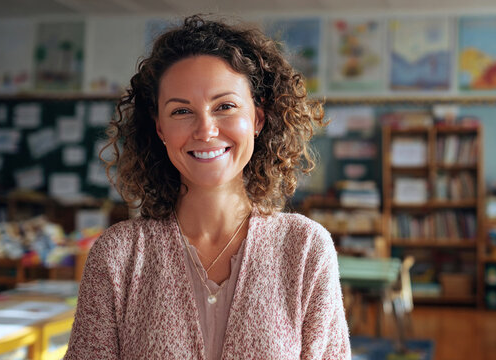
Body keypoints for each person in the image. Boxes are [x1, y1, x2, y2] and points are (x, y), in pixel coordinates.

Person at [65, 14, 350, 359]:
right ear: (160, 129)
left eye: (225, 106)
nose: (205, 130)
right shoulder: (118, 256)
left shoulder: (305, 249)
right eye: (182, 111)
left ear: (258, 119)